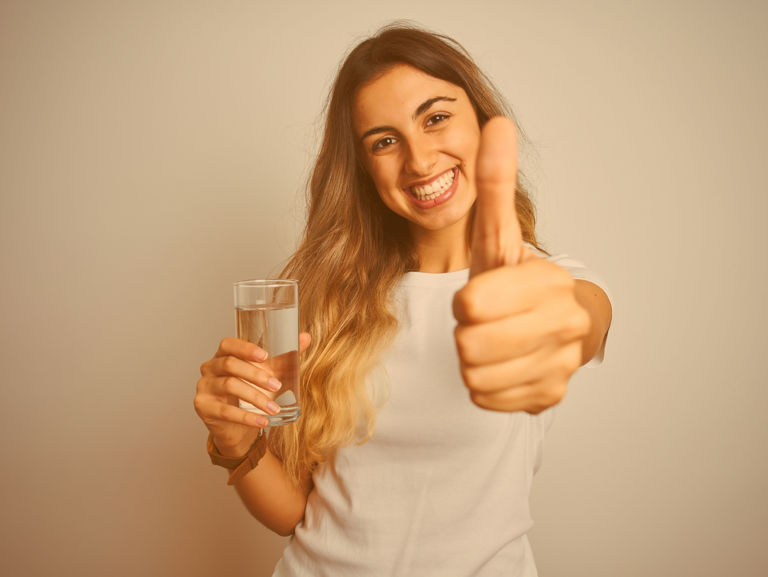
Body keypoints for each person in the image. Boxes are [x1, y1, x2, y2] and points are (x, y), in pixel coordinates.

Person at [194, 22, 613, 577]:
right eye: (385, 141)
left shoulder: (551, 281)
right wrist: (236, 441)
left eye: (435, 118)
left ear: (482, 123)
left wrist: (548, 324)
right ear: (364, 167)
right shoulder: (333, 299)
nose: (419, 161)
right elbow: (299, 514)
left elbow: (579, 318)